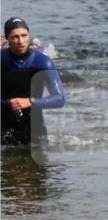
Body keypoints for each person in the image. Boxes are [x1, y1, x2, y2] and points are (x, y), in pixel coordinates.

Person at [2, 17, 66, 146]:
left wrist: (29, 101)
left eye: (24, 35)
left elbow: (60, 99)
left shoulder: (43, 62)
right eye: (15, 37)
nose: (21, 41)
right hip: (3, 128)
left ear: (29, 34)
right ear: (7, 38)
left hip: (35, 130)